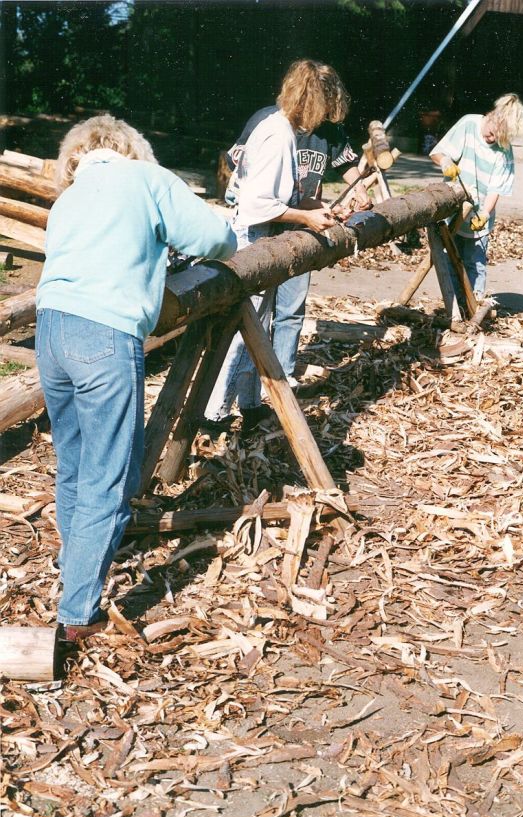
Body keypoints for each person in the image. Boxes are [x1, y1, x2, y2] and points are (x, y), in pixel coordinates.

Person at [36, 114, 236, 640]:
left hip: (51, 327)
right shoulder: (145, 179)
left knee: (75, 461)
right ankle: (78, 612)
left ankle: (72, 562)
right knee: (110, 477)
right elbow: (216, 235)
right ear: (131, 148)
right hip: (105, 331)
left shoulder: (69, 199)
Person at [203, 59, 370, 434]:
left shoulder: (281, 129)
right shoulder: (278, 135)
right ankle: (213, 413)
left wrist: (317, 207)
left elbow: (284, 196)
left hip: (263, 232)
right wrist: (307, 218)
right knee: (245, 326)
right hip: (254, 237)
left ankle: (248, 402)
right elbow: (258, 204)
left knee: (257, 327)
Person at [430, 94, 523, 300]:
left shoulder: (504, 150)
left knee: (475, 262)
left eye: (500, 137)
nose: (492, 139)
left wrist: (485, 213)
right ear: (492, 116)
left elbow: (496, 187)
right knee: (450, 258)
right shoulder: (468, 123)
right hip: (454, 209)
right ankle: (453, 304)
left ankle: (473, 302)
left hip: (478, 214)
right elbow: (438, 153)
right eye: (492, 133)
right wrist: (446, 163)